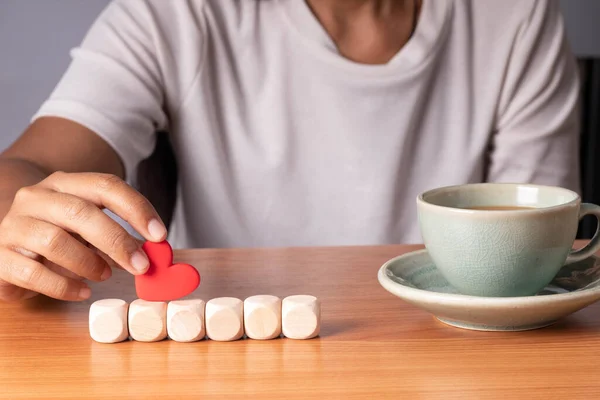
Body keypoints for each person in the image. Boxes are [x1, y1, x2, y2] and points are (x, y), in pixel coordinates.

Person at [0, 0, 580, 302]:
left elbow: (538, 247)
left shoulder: (519, 17)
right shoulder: (173, 15)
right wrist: (18, 219)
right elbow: (31, 165)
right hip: (225, 358)